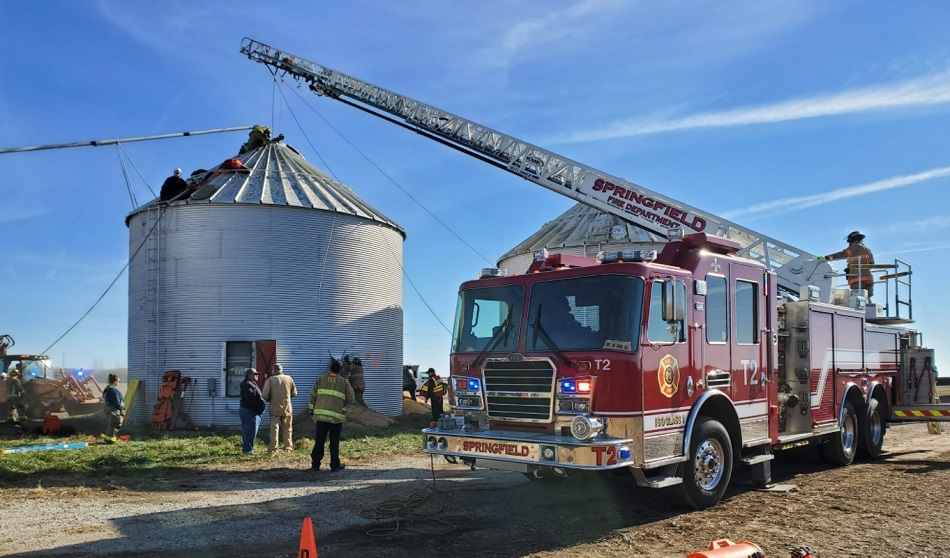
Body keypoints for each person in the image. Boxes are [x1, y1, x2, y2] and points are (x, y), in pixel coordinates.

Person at [308, 359, 355, 472]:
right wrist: (342, 405)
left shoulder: (321, 379)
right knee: (334, 442)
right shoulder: (344, 382)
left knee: (319, 441)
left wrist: (311, 411)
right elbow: (351, 398)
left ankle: (315, 465)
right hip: (336, 418)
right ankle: (334, 465)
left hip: (320, 417)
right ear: (340, 370)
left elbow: (312, 396)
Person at [818, 230, 875, 301]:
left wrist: (827, 258)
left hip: (858, 280)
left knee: (857, 301)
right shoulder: (867, 249)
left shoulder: (855, 246)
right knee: (867, 301)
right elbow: (872, 263)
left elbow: (842, 254)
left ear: (852, 239)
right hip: (869, 280)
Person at [262, 363, 297, 451]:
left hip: (275, 407)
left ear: (275, 370)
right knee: (288, 428)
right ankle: (288, 446)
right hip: (287, 407)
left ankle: (273, 447)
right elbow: (294, 393)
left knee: (274, 428)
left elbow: (265, 395)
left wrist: (270, 399)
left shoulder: (270, 380)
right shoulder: (289, 378)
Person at [239, 368, 266, 455]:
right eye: (255, 374)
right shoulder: (247, 385)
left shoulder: (251, 384)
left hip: (251, 411)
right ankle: (248, 451)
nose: (257, 375)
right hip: (250, 411)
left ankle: (248, 449)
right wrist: (259, 407)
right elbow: (251, 399)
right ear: (249, 375)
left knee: (249, 431)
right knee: (250, 431)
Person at [102, 374, 125, 443]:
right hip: (114, 408)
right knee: (116, 422)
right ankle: (110, 439)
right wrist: (121, 409)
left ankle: (109, 438)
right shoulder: (113, 391)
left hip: (109, 408)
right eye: (119, 381)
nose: (119, 382)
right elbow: (116, 401)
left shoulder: (107, 389)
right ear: (115, 381)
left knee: (112, 423)